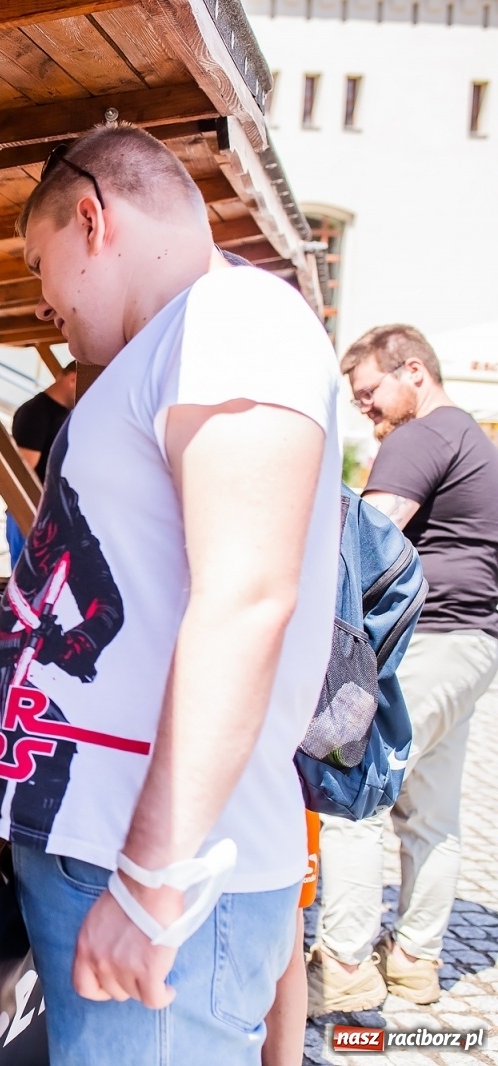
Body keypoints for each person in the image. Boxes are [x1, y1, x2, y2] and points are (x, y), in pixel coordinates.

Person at [0, 124, 341, 1064]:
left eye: (38, 262)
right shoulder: (170, 348)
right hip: (108, 858)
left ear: (92, 219)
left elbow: (248, 598)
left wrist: (148, 883)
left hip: (155, 879)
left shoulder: (234, 318)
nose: (41, 299)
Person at [309, 325, 498, 1012]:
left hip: (429, 640)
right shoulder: (471, 436)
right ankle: (416, 959)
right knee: (431, 812)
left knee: (352, 793)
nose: (367, 411)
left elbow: (368, 533)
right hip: (473, 641)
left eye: (370, 394)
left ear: (412, 370)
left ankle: (345, 964)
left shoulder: (423, 433)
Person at [7, 361, 79, 565]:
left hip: (53, 514)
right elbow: (24, 469)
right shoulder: (35, 412)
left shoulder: (66, 414)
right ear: (72, 379)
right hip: (31, 512)